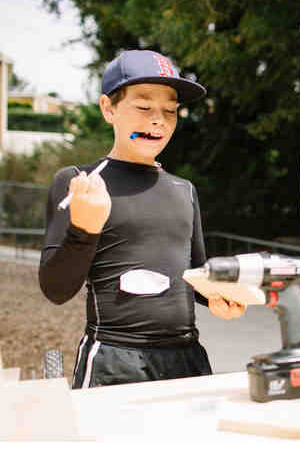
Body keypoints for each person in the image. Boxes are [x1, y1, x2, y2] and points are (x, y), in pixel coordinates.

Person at [39, 50, 246, 389]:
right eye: (144, 107)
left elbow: (195, 274)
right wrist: (84, 229)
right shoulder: (81, 183)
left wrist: (219, 295)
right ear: (108, 108)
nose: (159, 120)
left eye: (170, 110)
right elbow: (56, 289)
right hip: (113, 359)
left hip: (188, 357)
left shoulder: (184, 190)